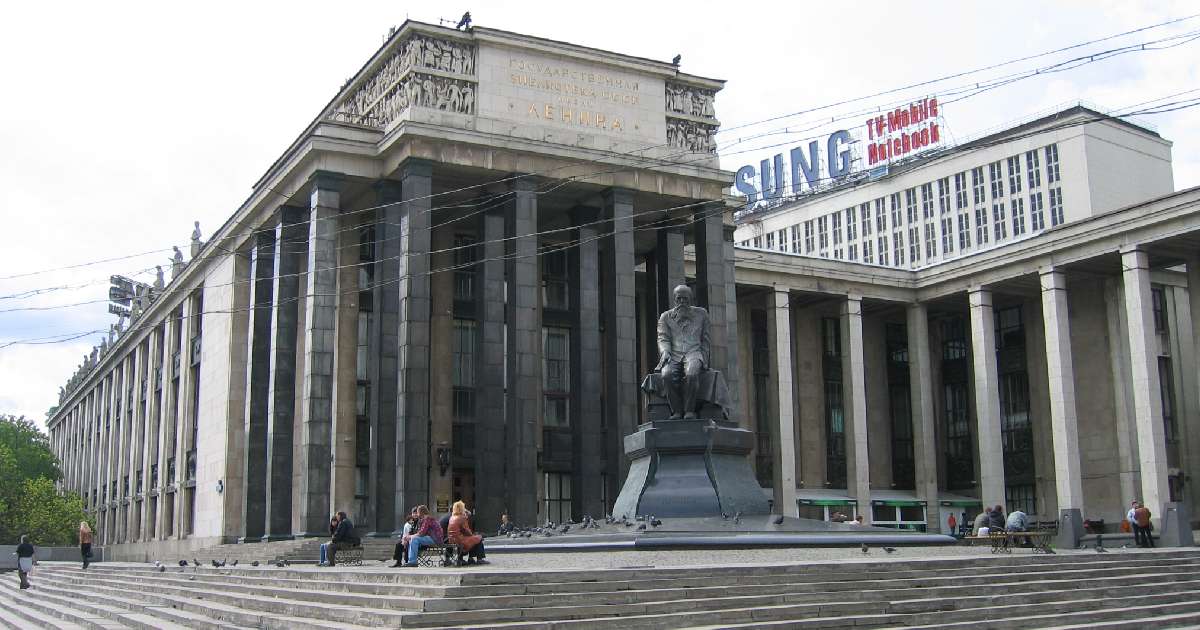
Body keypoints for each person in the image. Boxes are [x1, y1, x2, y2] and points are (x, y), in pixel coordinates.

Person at [655, 285, 711, 419]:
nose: (682, 302)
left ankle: (689, 410)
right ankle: (677, 411)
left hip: (694, 353)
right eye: (679, 299)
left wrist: (704, 359)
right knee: (666, 374)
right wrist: (665, 352)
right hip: (674, 354)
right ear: (674, 300)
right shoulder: (665, 317)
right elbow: (663, 338)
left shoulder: (701, 314)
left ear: (691, 300)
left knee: (692, 374)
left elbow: (706, 339)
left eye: (685, 299)